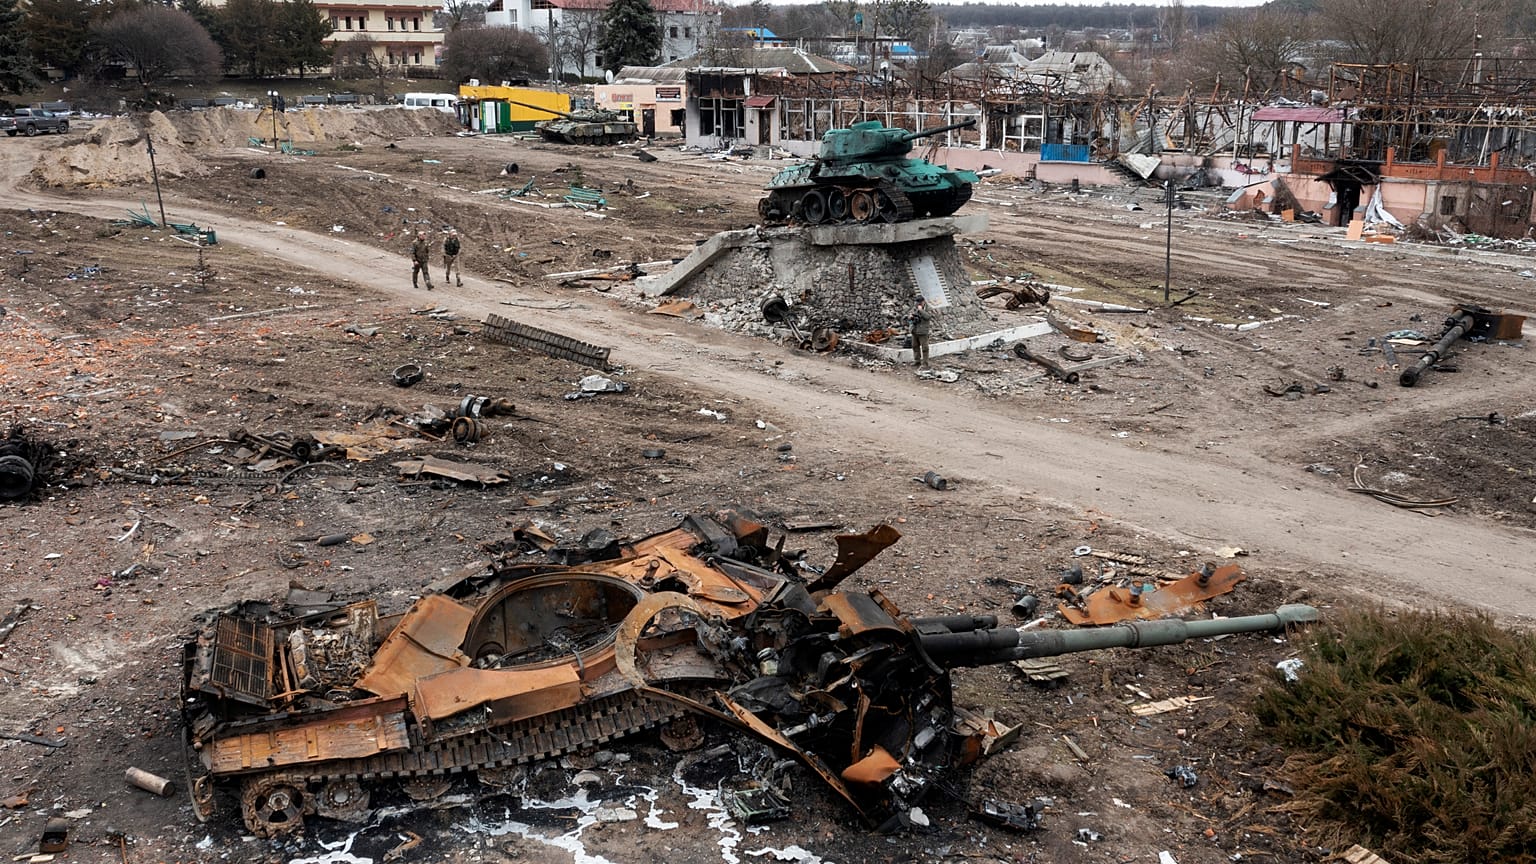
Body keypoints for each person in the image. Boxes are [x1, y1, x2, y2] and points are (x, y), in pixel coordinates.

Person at [909, 297, 934, 368]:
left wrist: (921, 310)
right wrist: (910, 316)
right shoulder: (915, 307)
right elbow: (910, 314)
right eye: (917, 302)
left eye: (920, 302)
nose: (918, 304)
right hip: (915, 330)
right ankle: (917, 361)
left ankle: (925, 363)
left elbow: (928, 317)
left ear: (923, 302)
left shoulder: (928, 308)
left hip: (923, 332)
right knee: (915, 346)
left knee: (925, 348)